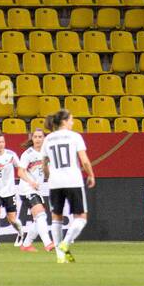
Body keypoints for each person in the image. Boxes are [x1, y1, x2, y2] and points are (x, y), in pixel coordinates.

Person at [42, 109, 95, 263]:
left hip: (55, 182)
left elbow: (44, 164)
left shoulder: (49, 139)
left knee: (56, 217)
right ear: (64, 121)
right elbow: (84, 160)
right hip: (73, 180)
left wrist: (48, 176)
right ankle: (65, 243)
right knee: (81, 217)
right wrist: (91, 174)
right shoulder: (75, 137)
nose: (72, 123)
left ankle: (60, 255)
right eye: (71, 120)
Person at [16, 128, 55, 252]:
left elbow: (47, 174)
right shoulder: (28, 154)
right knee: (41, 215)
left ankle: (26, 244)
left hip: (37, 189)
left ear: (44, 139)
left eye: (40, 137)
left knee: (38, 219)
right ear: (32, 139)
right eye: (35, 137)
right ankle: (48, 243)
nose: (38, 139)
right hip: (26, 189)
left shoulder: (47, 153)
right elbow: (20, 172)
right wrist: (31, 182)